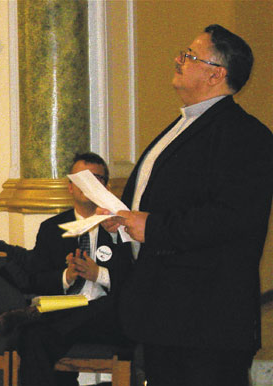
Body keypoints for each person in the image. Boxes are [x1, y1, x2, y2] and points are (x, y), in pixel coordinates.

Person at [100, 24, 273, 386]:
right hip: (165, 314)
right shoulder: (181, 126)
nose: (178, 59)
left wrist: (152, 226)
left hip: (207, 319)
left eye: (190, 55)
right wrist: (123, 217)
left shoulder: (246, 135)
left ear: (216, 74)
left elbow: (234, 218)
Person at [0, 152, 133, 386]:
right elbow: (36, 279)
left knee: (98, 306)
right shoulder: (52, 229)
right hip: (66, 315)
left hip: (107, 320)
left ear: (106, 187)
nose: (88, 184)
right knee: (33, 337)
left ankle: (34, 315)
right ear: (70, 187)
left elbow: (136, 278)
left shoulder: (122, 225)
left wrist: (98, 274)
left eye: (96, 178)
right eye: (81, 178)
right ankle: (37, 317)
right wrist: (66, 277)